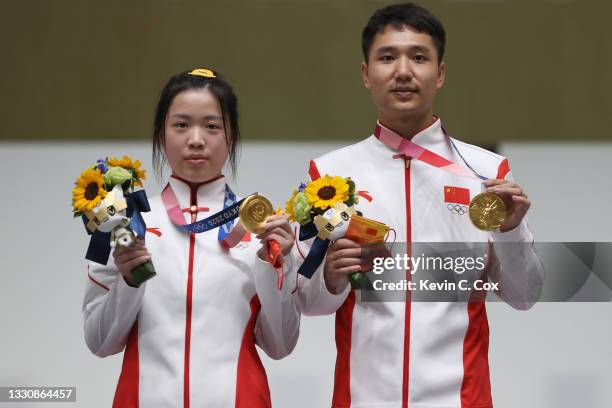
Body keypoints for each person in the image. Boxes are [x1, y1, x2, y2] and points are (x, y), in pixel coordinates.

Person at [294, 3, 544, 408]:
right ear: (365, 74)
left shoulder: (486, 172)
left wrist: (511, 229)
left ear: (440, 73)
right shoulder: (328, 175)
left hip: (461, 399)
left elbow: (525, 294)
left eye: (419, 57)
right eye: (388, 57)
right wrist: (332, 279)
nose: (404, 71)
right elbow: (308, 302)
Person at [82, 68, 299, 408]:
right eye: (181, 125)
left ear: (231, 138)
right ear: (161, 136)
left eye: (212, 126)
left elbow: (280, 345)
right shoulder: (126, 224)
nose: (196, 139)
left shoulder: (264, 230)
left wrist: (273, 266)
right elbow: (99, 342)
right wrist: (128, 281)